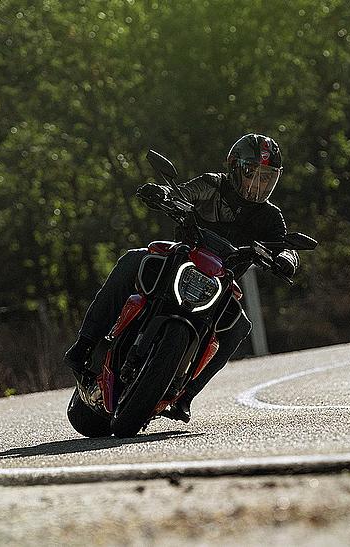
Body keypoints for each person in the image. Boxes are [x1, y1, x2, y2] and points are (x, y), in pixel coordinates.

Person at [63, 133, 299, 422]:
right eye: (251, 173)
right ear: (234, 168)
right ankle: (84, 345)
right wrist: (163, 195)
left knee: (239, 327)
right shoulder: (212, 184)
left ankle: (186, 396)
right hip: (182, 262)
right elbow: (183, 193)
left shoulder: (271, 217)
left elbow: (284, 246)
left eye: (266, 178)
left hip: (220, 284)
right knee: (133, 260)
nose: (257, 184)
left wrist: (287, 260)